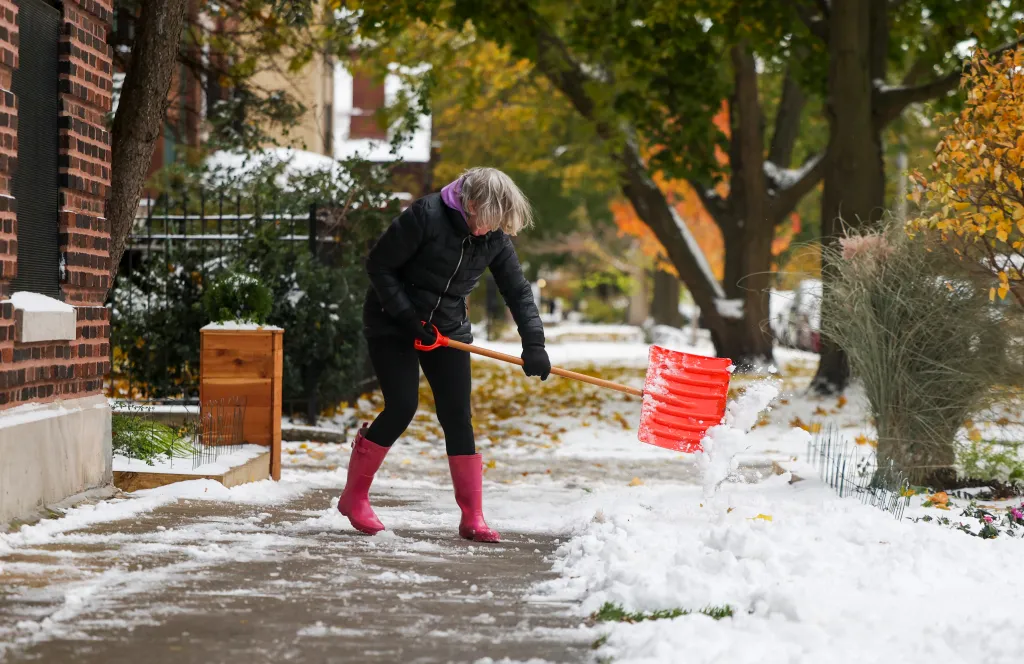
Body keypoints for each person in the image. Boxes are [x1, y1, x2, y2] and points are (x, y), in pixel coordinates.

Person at [337, 167, 551, 543]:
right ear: (470, 204)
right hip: (392, 320)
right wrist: (407, 317)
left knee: (457, 415)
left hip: (447, 328)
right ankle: (353, 498)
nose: (489, 231)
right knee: (402, 406)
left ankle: (473, 516)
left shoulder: (495, 236)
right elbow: (379, 265)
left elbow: (517, 291)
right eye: (485, 222)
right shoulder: (425, 216)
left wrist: (534, 344)